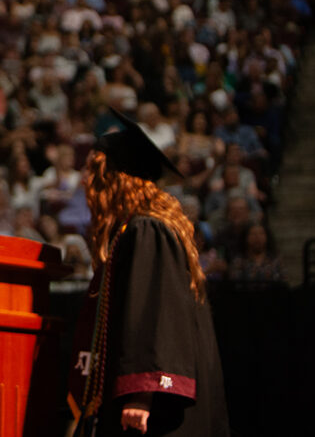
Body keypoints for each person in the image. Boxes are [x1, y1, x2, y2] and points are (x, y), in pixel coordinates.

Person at [69, 109, 228, 436]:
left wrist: (141, 393)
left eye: (94, 173)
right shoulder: (137, 230)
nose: (86, 182)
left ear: (115, 179)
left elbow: (156, 315)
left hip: (152, 407)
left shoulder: (147, 231)